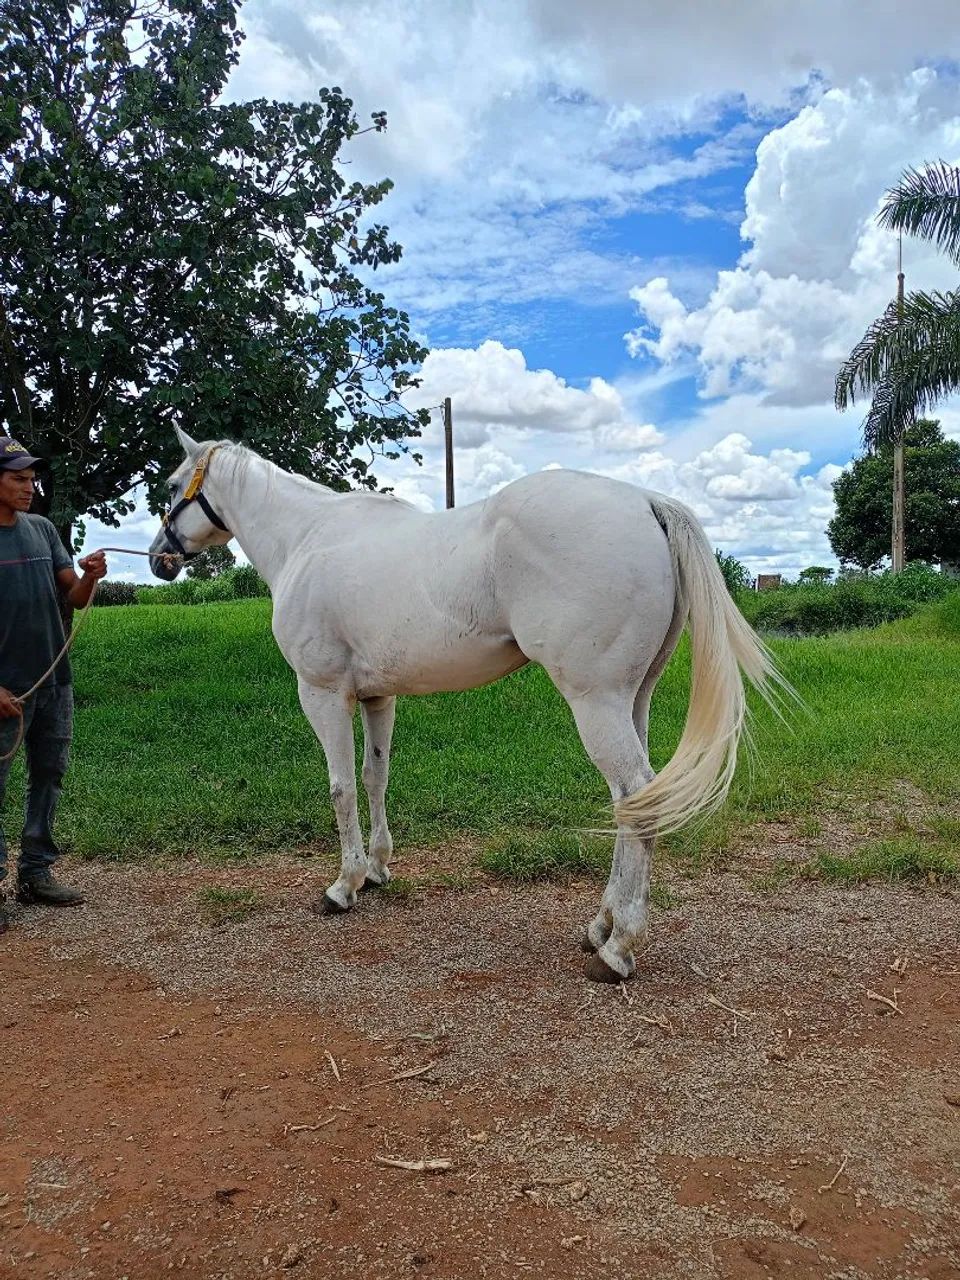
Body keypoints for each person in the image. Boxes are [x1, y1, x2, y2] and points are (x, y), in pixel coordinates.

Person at [0, 436, 107, 934]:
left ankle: (35, 872)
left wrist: (90, 574)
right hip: (7, 692)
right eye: (18, 478)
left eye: (31, 478)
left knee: (49, 775)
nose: (29, 487)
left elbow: (76, 596)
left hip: (52, 681)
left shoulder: (42, 530)